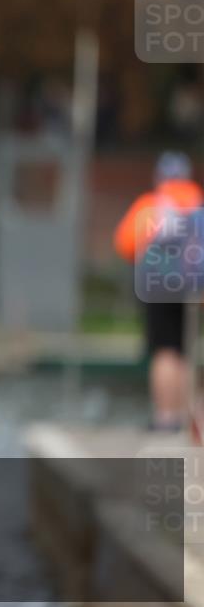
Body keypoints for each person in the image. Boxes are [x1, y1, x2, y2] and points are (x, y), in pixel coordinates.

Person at [114, 151, 201, 431]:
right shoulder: (199, 205)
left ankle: (167, 418)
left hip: (159, 287)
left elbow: (125, 245)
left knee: (165, 352)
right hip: (194, 290)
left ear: (159, 176)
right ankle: (188, 416)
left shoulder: (151, 206)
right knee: (186, 350)